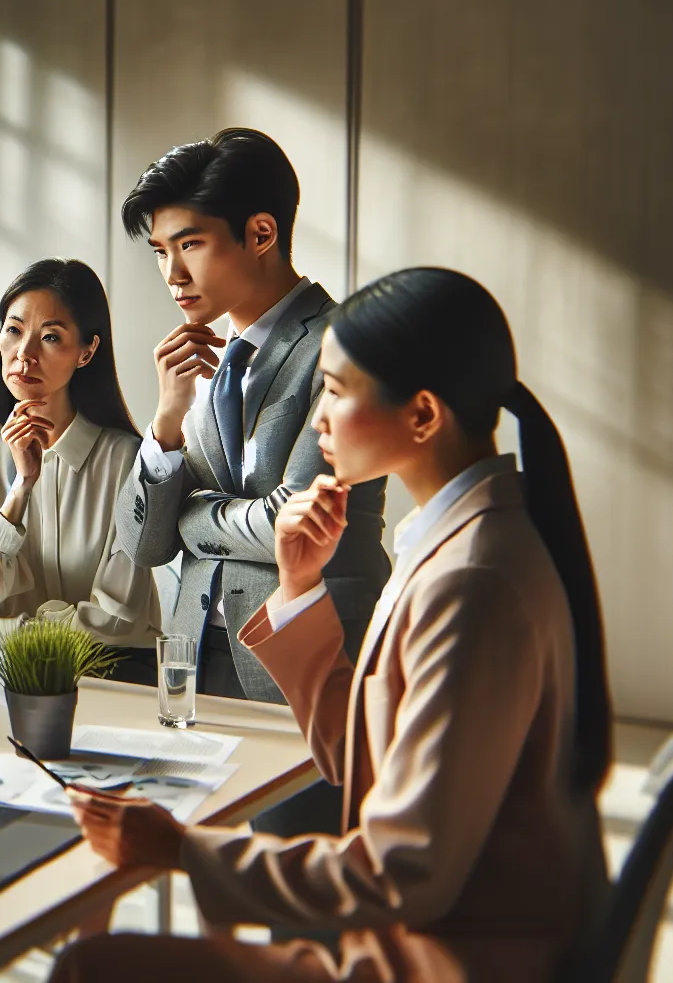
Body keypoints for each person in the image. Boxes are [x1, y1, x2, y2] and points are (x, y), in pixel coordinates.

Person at [53, 268, 612, 982]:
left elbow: (403, 871)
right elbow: (368, 759)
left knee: (92, 966)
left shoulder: (473, 582)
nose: (320, 420)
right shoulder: (456, 540)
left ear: (421, 416)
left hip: (437, 962)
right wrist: (298, 585)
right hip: (424, 942)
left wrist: (182, 849)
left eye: (338, 392)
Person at [112, 127, 391, 876]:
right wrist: (167, 423)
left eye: (190, 244)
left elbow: (292, 522)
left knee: (304, 889)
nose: (171, 274)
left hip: (309, 664)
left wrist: (194, 518)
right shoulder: (197, 360)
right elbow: (142, 546)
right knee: (212, 888)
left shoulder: (343, 344)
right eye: (160, 252)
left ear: (261, 232)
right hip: (197, 667)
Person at [0, 258, 161, 652]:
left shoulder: (125, 461)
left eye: (50, 337)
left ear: (86, 352)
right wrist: (19, 492)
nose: (24, 354)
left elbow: (120, 619)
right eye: (14, 330)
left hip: (105, 680)